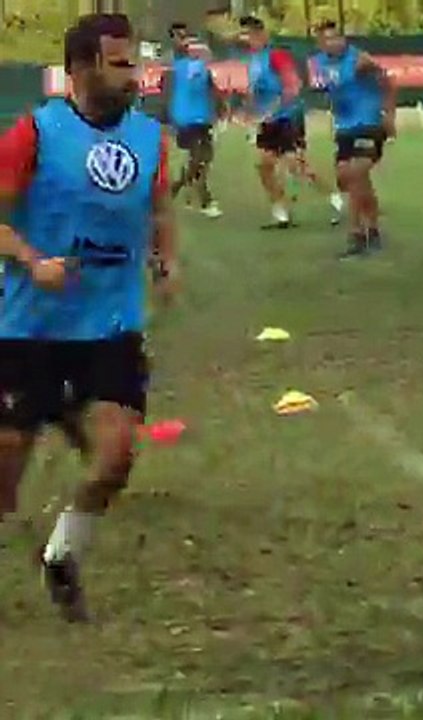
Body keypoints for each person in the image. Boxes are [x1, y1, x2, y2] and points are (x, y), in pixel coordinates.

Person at [0, 13, 178, 623]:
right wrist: (30, 260)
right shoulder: (35, 133)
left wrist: (166, 260)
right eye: (120, 63)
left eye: (135, 61)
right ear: (81, 69)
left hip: (109, 324)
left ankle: (62, 556)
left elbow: (159, 208)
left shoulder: (149, 139)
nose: (134, 74)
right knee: (6, 468)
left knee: (116, 457)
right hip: (28, 328)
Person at [239, 15, 343, 229]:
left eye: (251, 33)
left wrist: (271, 111)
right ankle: (281, 212)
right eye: (246, 33)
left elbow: (292, 86)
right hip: (270, 120)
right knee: (264, 165)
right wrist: (250, 113)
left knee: (296, 166)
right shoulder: (253, 60)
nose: (248, 38)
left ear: (262, 34)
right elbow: (254, 91)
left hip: (288, 117)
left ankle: (335, 198)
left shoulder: (276, 56)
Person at [311, 21, 396, 259]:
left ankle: (356, 235)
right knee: (350, 180)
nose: (334, 42)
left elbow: (388, 83)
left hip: (369, 124)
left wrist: (389, 116)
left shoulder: (360, 61)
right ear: (320, 43)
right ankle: (374, 229)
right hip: (345, 128)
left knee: (356, 174)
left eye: (337, 37)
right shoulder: (319, 63)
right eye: (327, 39)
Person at [160, 23, 224, 219]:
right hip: (185, 118)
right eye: (179, 37)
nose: (183, 40)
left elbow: (212, 89)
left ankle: (178, 191)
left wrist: (220, 109)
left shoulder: (198, 67)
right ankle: (203, 200)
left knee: (202, 158)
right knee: (199, 157)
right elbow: (165, 91)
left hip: (201, 118)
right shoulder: (174, 66)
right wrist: (167, 118)